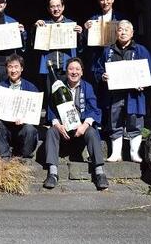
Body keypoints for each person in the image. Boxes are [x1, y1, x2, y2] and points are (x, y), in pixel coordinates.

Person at [43, 57, 109, 190]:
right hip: (64, 129)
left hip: (81, 129)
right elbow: (51, 109)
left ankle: (99, 172)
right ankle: (53, 172)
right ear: (66, 72)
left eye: (77, 69)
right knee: (51, 131)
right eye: (71, 69)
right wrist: (57, 125)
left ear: (82, 72)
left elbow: (94, 110)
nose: (74, 72)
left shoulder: (87, 87)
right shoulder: (58, 86)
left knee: (92, 131)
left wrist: (84, 125)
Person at [95, 20, 151, 163]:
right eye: (120, 29)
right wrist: (102, 75)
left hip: (134, 94)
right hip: (114, 94)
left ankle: (135, 153)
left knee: (135, 122)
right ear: (116, 32)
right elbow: (97, 69)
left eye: (127, 29)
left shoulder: (140, 50)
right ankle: (116, 153)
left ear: (132, 33)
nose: (123, 32)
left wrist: (144, 83)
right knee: (115, 122)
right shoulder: (108, 51)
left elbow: (149, 71)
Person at [83, 0, 125, 122]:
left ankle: (115, 123)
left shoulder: (120, 18)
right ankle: (99, 123)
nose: (105, 2)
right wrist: (85, 29)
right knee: (98, 92)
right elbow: (85, 42)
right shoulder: (94, 18)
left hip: (116, 58)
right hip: (98, 60)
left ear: (113, 0)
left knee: (115, 93)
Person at [0, 54, 39, 160]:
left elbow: (35, 113)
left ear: (22, 68)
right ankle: (4, 155)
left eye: (16, 67)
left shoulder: (31, 88)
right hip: (6, 127)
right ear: (6, 69)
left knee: (30, 129)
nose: (13, 70)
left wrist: (25, 119)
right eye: (10, 67)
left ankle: (24, 155)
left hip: (22, 128)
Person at [34, 0, 83, 100]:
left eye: (58, 6)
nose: (56, 9)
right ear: (48, 9)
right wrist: (35, 29)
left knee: (68, 96)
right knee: (50, 96)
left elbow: (81, 47)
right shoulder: (43, 25)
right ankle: (51, 117)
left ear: (63, 7)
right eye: (52, 6)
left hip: (66, 66)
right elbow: (33, 44)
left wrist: (80, 34)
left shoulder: (71, 24)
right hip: (49, 67)